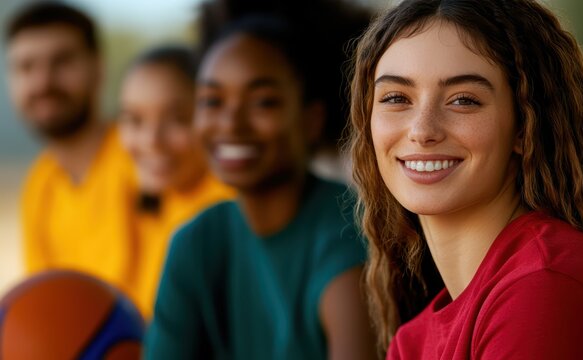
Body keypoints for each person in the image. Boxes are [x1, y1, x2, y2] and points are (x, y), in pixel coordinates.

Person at [347, 0, 583, 358]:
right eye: (396, 98)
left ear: (524, 126)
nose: (422, 130)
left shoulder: (543, 289)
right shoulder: (413, 342)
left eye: (463, 101)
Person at [145, 15, 376, 359]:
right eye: (212, 101)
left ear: (311, 121)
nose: (231, 123)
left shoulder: (350, 225)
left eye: (263, 102)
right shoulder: (194, 244)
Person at [5, 1, 139, 300]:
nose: (43, 82)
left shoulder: (147, 154)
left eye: (62, 61)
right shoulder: (40, 186)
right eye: (26, 67)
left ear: (99, 68)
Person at [118, 45, 235, 319]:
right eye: (134, 120)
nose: (151, 141)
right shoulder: (154, 201)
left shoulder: (226, 213)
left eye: (177, 120)